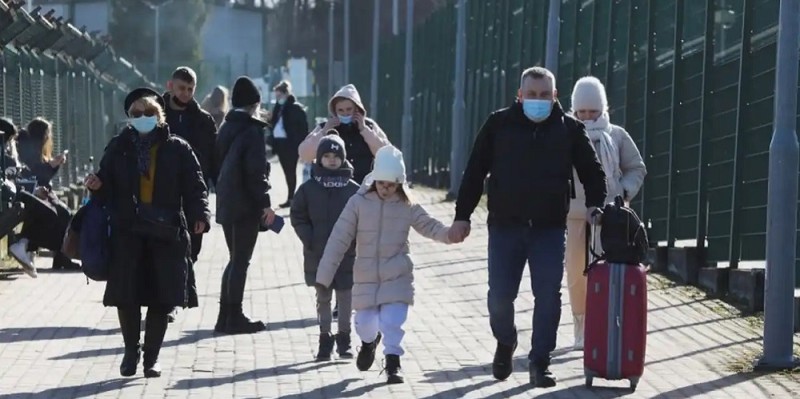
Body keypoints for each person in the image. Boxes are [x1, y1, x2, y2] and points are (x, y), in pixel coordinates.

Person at [449, 66, 607, 388]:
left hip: (548, 229)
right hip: (505, 227)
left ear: (555, 96)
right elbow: (475, 171)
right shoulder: (498, 125)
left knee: (548, 296)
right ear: (519, 96)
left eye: (544, 95)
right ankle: (506, 341)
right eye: (531, 95)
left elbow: (593, 172)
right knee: (499, 298)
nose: (538, 100)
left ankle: (540, 362)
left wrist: (596, 205)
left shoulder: (569, 130)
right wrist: (462, 216)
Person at [83, 87, 210, 378]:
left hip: (167, 232)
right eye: (136, 114)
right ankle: (131, 351)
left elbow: (195, 185)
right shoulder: (119, 146)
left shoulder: (177, 147)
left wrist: (200, 214)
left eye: (149, 113)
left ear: (160, 115)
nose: (142, 118)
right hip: (128, 231)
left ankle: (151, 357)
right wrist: (97, 184)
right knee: (126, 296)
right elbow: (105, 181)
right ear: (129, 118)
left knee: (162, 297)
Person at [315, 145, 452, 384]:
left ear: (399, 184)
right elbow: (339, 238)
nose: (385, 189)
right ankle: (369, 343)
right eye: (381, 183)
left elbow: (429, 225)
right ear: (374, 180)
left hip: (397, 275)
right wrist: (324, 275)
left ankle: (393, 363)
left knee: (393, 320)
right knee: (364, 324)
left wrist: (450, 234)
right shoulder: (358, 203)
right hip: (365, 276)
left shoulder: (408, 205)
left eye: (391, 185)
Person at [565, 76, 647, 350]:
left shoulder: (617, 136)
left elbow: (636, 168)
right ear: (574, 110)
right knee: (577, 272)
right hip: (575, 216)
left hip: (611, 217)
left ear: (603, 109)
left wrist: (623, 193)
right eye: (582, 112)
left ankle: (609, 323)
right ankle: (581, 326)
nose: (587, 117)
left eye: (593, 111)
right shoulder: (565, 133)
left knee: (610, 271)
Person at [213, 76, 276, 335]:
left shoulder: (226, 127)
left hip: (227, 202)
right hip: (245, 205)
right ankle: (234, 316)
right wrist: (266, 204)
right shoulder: (251, 131)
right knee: (241, 261)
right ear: (255, 104)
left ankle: (224, 316)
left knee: (234, 259)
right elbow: (255, 173)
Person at [290, 132, 359, 361]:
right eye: (326, 155)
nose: (331, 160)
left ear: (343, 158)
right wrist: (308, 238)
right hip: (317, 252)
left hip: (347, 254)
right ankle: (324, 339)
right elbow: (298, 215)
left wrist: (355, 242)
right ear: (319, 158)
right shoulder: (308, 189)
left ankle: (345, 339)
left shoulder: (353, 189)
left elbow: (363, 219)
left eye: (335, 156)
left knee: (346, 298)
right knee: (323, 298)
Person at [163, 66, 217, 320]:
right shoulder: (155, 114)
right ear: (170, 86)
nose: (185, 93)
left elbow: (214, 159)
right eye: (181, 88)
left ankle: (178, 290)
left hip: (194, 194)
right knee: (166, 247)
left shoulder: (204, 121)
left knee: (191, 248)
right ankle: (169, 300)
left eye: (190, 89)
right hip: (162, 194)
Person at [8, 117, 79, 273]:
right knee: (57, 213)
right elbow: (36, 174)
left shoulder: (35, 149)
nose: (49, 138)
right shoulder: (28, 148)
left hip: (39, 190)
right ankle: (26, 243)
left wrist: (54, 164)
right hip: (31, 191)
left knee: (65, 212)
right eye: (47, 134)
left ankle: (62, 258)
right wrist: (53, 165)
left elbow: (41, 174)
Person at [298, 84, 389, 184]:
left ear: (357, 109)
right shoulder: (325, 126)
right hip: (333, 189)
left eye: (349, 109)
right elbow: (305, 154)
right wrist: (324, 132)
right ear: (334, 111)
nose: (345, 114)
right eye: (340, 110)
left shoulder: (369, 126)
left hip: (363, 188)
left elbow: (386, 153)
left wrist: (364, 130)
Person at [270, 80, 309, 208]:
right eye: (276, 96)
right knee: (287, 172)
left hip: (291, 145)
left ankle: (292, 198)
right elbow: (273, 123)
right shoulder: (278, 107)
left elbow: (302, 128)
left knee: (291, 171)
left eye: (280, 95)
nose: (278, 98)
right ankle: (290, 197)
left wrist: (300, 143)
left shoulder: (295, 108)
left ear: (286, 94)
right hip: (280, 144)